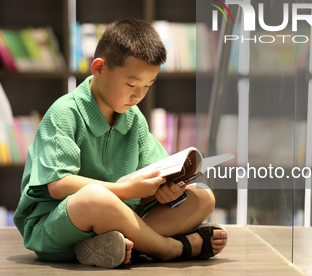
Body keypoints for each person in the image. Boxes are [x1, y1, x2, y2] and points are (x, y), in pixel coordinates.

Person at [13, 19, 227, 268]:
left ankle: (114, 247)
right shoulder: (65, 113)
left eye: (148, 85)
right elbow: (58, 186)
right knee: (94, 199)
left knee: (202, 197)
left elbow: (152, 176)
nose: (138, 95)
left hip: (119, 223)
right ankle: (170, 248)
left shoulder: (134, 119)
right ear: (99, 68)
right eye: (131, 84)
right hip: (57, 228)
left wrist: (168, 191)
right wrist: (127, 191)